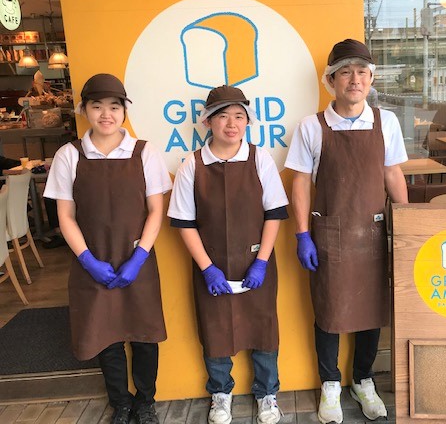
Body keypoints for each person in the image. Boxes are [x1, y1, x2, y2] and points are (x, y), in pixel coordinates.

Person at [285, 38, 409, 424]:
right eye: (345, 72)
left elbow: (392, 173)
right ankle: (330, 383)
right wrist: (302, 234)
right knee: (329, 309)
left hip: (373, 233)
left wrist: (407, 226)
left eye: (362, 72)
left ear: (371, 79)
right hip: (330, 234)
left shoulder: (386, 122)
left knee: (371, 309)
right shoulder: (312, 126)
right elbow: (300, 182)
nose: (354, 79)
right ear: (331, 81)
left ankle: (363, 379)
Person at [43, 73, 172, 424]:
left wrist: (140, 257)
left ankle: (145, 401)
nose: (106, 114)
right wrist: (87, 259)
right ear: (84, 109)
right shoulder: (69, 155)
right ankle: (121, 403)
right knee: (106, 336)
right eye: (97, 106)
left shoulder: (144, 152)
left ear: (124, 111)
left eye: (114, 107)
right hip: (92, 259)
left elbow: (156, 210)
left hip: (137, 259)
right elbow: (65, 215)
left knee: (144, 335)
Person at [168, 85, 289, 424]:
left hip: (256, 262)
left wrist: (261, 262)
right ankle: (220, 393)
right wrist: (207, 268)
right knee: (216, 329)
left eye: (239, 116)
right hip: (211, 264)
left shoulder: (260, 159)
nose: (231, 124)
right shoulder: (192, 165)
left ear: (248, 121)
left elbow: (274, 214)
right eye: (222, 116)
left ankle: (267, 393)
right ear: (208, 122)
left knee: (263, 328)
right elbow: (184, 223)